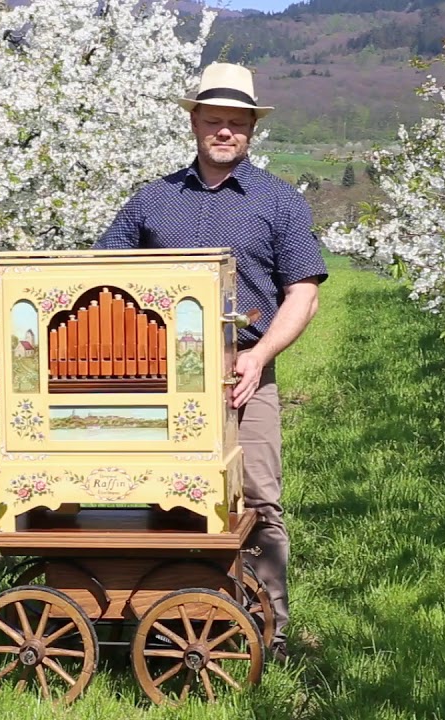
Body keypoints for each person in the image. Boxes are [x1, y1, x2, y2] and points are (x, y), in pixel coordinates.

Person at [94, 62, 328, 662]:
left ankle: (267, 631)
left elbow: (303, 292)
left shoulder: (279, 201)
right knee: (162, 498)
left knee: (257, 501)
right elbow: (101, 275)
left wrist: (259, 356)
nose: (225, 131)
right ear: (194, 122)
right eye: (214, 120)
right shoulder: (152, 200)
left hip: (242, 374)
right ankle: (171, 620)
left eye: (237, 123)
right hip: (157, 381)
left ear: (252, 129)